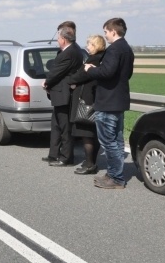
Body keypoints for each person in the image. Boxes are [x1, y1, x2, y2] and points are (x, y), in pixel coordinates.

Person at [84, 17, 134, 189]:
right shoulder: (127, 48)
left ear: (113, 31)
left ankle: (116, 178)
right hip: (119, 100)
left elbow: (106, 72)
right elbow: (126, 75)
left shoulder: (114, 50)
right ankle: (114, 173)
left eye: (106, 32)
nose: (105, 35)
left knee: (108, 141)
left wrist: (91, 70)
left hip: (108, 101)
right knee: (117, 141)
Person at [64, 34, 107, 175]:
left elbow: (80, 76)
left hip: (87, 101)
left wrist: (71, 80)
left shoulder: (94, 60)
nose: (87, 47)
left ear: (95, 45)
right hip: (97, 99)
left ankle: (89, 164)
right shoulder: (104, 58)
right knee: (95, 133)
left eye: (89, 44)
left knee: (86, 133)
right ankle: (92, 162)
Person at [42, 25, 82, 166]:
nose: (57, 41)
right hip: (59, 95)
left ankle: (66, 158)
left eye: (58, 38)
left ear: (64, 39)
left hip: (64, 95)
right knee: (56, 125)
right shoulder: (71, 50)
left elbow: (56, 72)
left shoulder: (69, 53)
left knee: (65, 128)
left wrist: (46, 82)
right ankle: (54, 154)